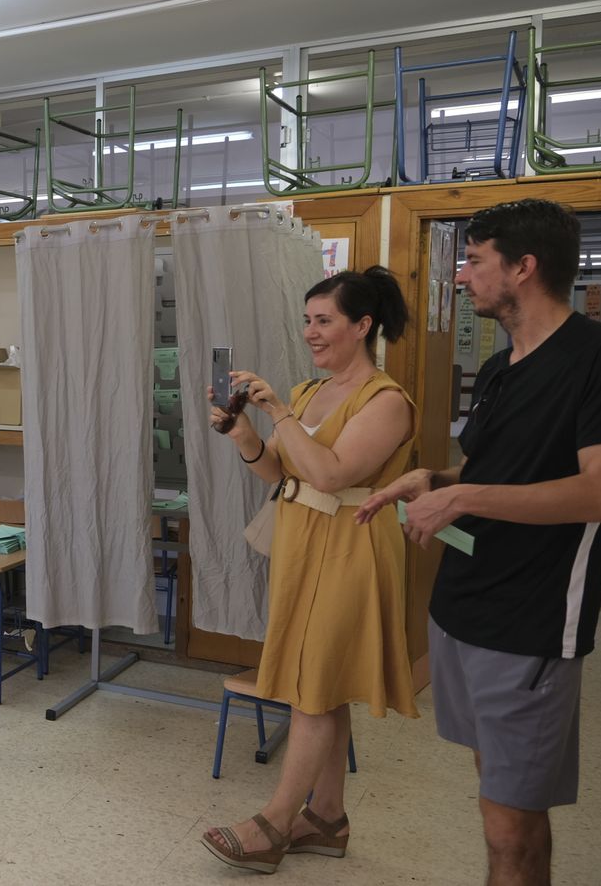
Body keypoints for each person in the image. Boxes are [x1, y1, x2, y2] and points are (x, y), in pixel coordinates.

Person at [359, 199, 601, 886]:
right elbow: (491, 472)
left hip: (532, 622)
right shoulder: (498, 369)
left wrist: (465, 495)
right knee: (501, 792)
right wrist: (435, 478)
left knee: (509, 825)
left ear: (524, 267)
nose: (461, 278)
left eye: (475, 260)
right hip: (462, 611)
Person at [200, 267, 418, 874]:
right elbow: (281, 473)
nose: (311, 333)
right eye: (307, 320)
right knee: (319, 682)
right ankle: (327, 817)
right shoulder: (304, 393)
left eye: (324, 321)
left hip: (352, 549)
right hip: (303, 546)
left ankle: (273, 823)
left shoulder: (386, 402)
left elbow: (330, 474)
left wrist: (276, 413)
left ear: (363, 326)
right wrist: (245, 431)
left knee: (314, 690)